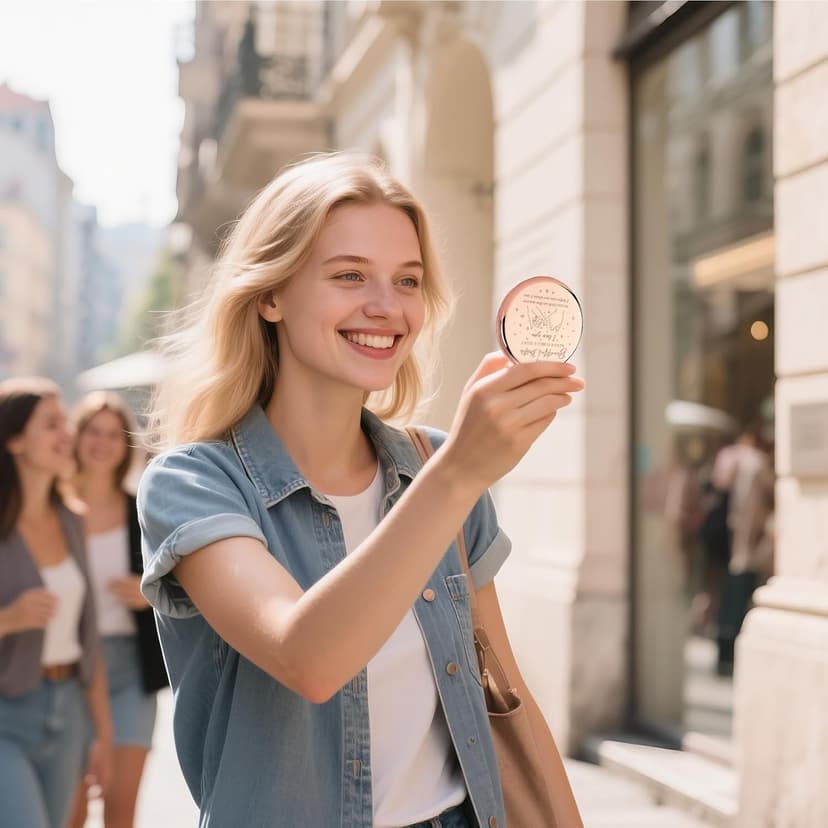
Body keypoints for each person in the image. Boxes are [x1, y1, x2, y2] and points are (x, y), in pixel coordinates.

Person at [138, 153, 585, 827]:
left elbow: (507, 693)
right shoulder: (195, 484)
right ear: (271, 296)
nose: (387, 307)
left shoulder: (433, 463)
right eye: (349, 275)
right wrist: (459, 474)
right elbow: (308, 659)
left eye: (408, 280)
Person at [0, 377, 112, 828]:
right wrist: (10, 618)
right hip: (7, 714)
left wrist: (102, 732)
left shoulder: (72, 519)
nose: (67, 434)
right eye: (51, 425)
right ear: (14, 440)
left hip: (69, 712)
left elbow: (89, 635)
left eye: (65, 422)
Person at [68, 392, 168, 828]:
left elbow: (180, 582)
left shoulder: (143, 512)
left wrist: (148, 595)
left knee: (120, 808)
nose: (102, 443)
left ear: (126, 445)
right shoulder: (53, 510)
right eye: (93, 431)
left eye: (113, 434)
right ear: (76, 436)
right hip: (69, 670)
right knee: (69, 810)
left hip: (131, 668)